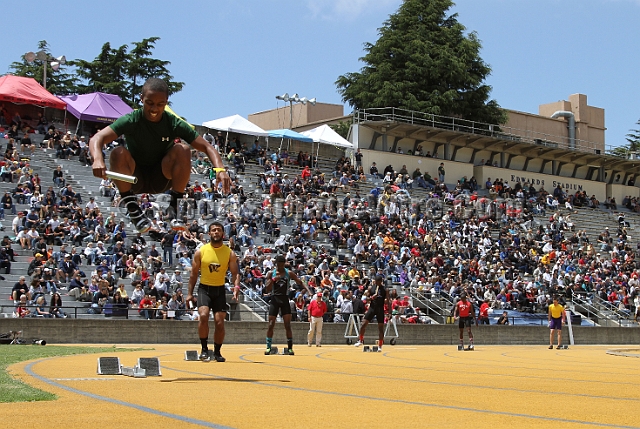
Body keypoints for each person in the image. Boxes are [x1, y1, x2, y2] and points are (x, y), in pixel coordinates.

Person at [89, 77, 231, 233]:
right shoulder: (131, 120)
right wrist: (97, 159)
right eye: (149, 103)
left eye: (160, 104)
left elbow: (206, 146)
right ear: (142, 99)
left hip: (161, 178)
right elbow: (97, 138)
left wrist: (220, 169)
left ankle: (174, 207)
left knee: (182, 149)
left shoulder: (172, 122)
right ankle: (132, 208)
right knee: (118, 152)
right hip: (135, 178)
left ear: (166, 102)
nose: (154, 109)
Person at [187, 222, 240, 362]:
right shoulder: (201, 251)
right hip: (204, 288)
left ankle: (217, 352)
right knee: (203, 316)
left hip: (219, 289)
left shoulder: (229, 253)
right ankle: (204, 349)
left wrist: (236, 289)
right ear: (209, 233)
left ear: (223, 234)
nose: (216, 232)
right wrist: (189, 293)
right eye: (213, 230)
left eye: (218, 230)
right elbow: (193, 274)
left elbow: (235, 274)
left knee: (219, 322)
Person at [264, 254, 311, 356]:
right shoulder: (271, 273)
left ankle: (290, 348)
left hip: (284, 299)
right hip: (274, 299)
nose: (280, 267)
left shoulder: (288, 273)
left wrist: (308, 290)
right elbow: (267, 289)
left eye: (282, 265)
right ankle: (268, 347)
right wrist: (273, 280)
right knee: (271, 324)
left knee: (288, 325)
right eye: (279, 265)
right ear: (276, 264)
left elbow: (300, 282)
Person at [354, 275, 389, 351]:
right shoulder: (371, 288)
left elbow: (388, 300)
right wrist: (372, 298)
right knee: (363, 324)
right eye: (376, 282)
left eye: (378, 282)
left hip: (380, 309)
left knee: (380, 328)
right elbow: (366, 299)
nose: (377, 283)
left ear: (381, 282)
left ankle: (380, 346)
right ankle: (360, 340)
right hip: (372, 308)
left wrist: (389, 311)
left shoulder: (385, 289)